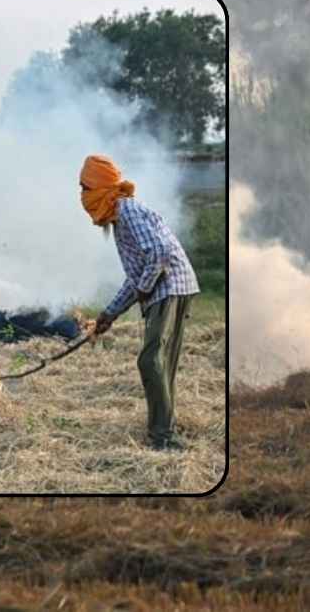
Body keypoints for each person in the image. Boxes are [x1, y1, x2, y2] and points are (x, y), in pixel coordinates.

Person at [80, 154, 200, 450]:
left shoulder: (128, 210)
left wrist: (145, 287)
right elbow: (135, 277)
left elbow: (159, 253)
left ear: (101, 187)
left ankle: (163, 437)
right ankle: (162, 430)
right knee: (161, 363)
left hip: (170, 287)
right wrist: (108, 315)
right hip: (169, 288)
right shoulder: (118, 218)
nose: (82, 196)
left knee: (150, 359)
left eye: (85, 188)